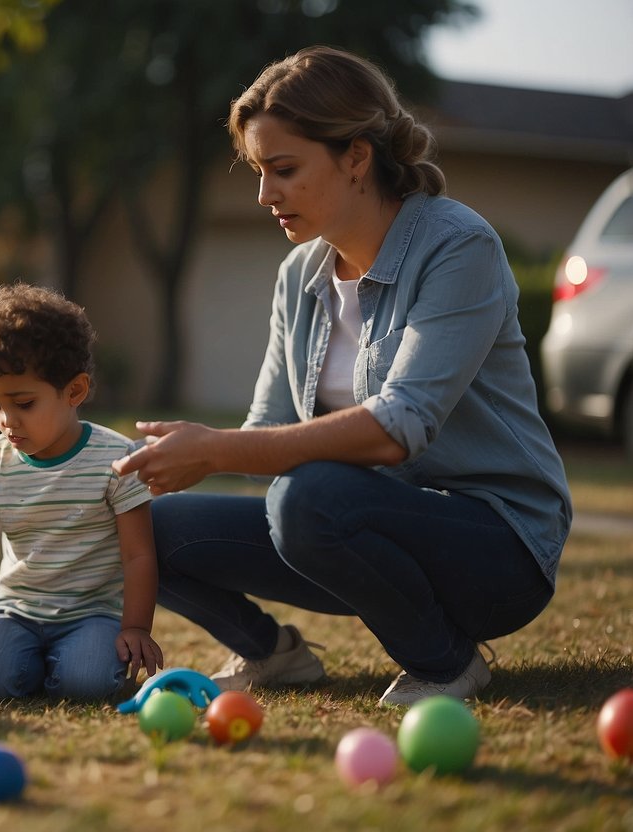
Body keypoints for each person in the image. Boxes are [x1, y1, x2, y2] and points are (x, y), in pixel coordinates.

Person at [112, 46, 571, 708]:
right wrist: (147, 459)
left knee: (310, 497)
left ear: (356, 157)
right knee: (139, 522)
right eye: (257, 172)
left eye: (284, 169)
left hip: (497, 549)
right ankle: (270, 652)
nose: (265, 194)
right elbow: (268, 436)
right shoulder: (299, 276)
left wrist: (215, 448)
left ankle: (443, 664)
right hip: (354, 531)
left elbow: (397, 428)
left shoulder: (456, 245)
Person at [0, 282, 164, 701]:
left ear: (74, 391)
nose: (6, 420)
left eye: (23, 403)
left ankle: (69, 661)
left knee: (88, 683)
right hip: (16, 612)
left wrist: (134, 627)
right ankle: (38, 661)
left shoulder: (117, 460)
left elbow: (138, 554)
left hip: (92, 615)